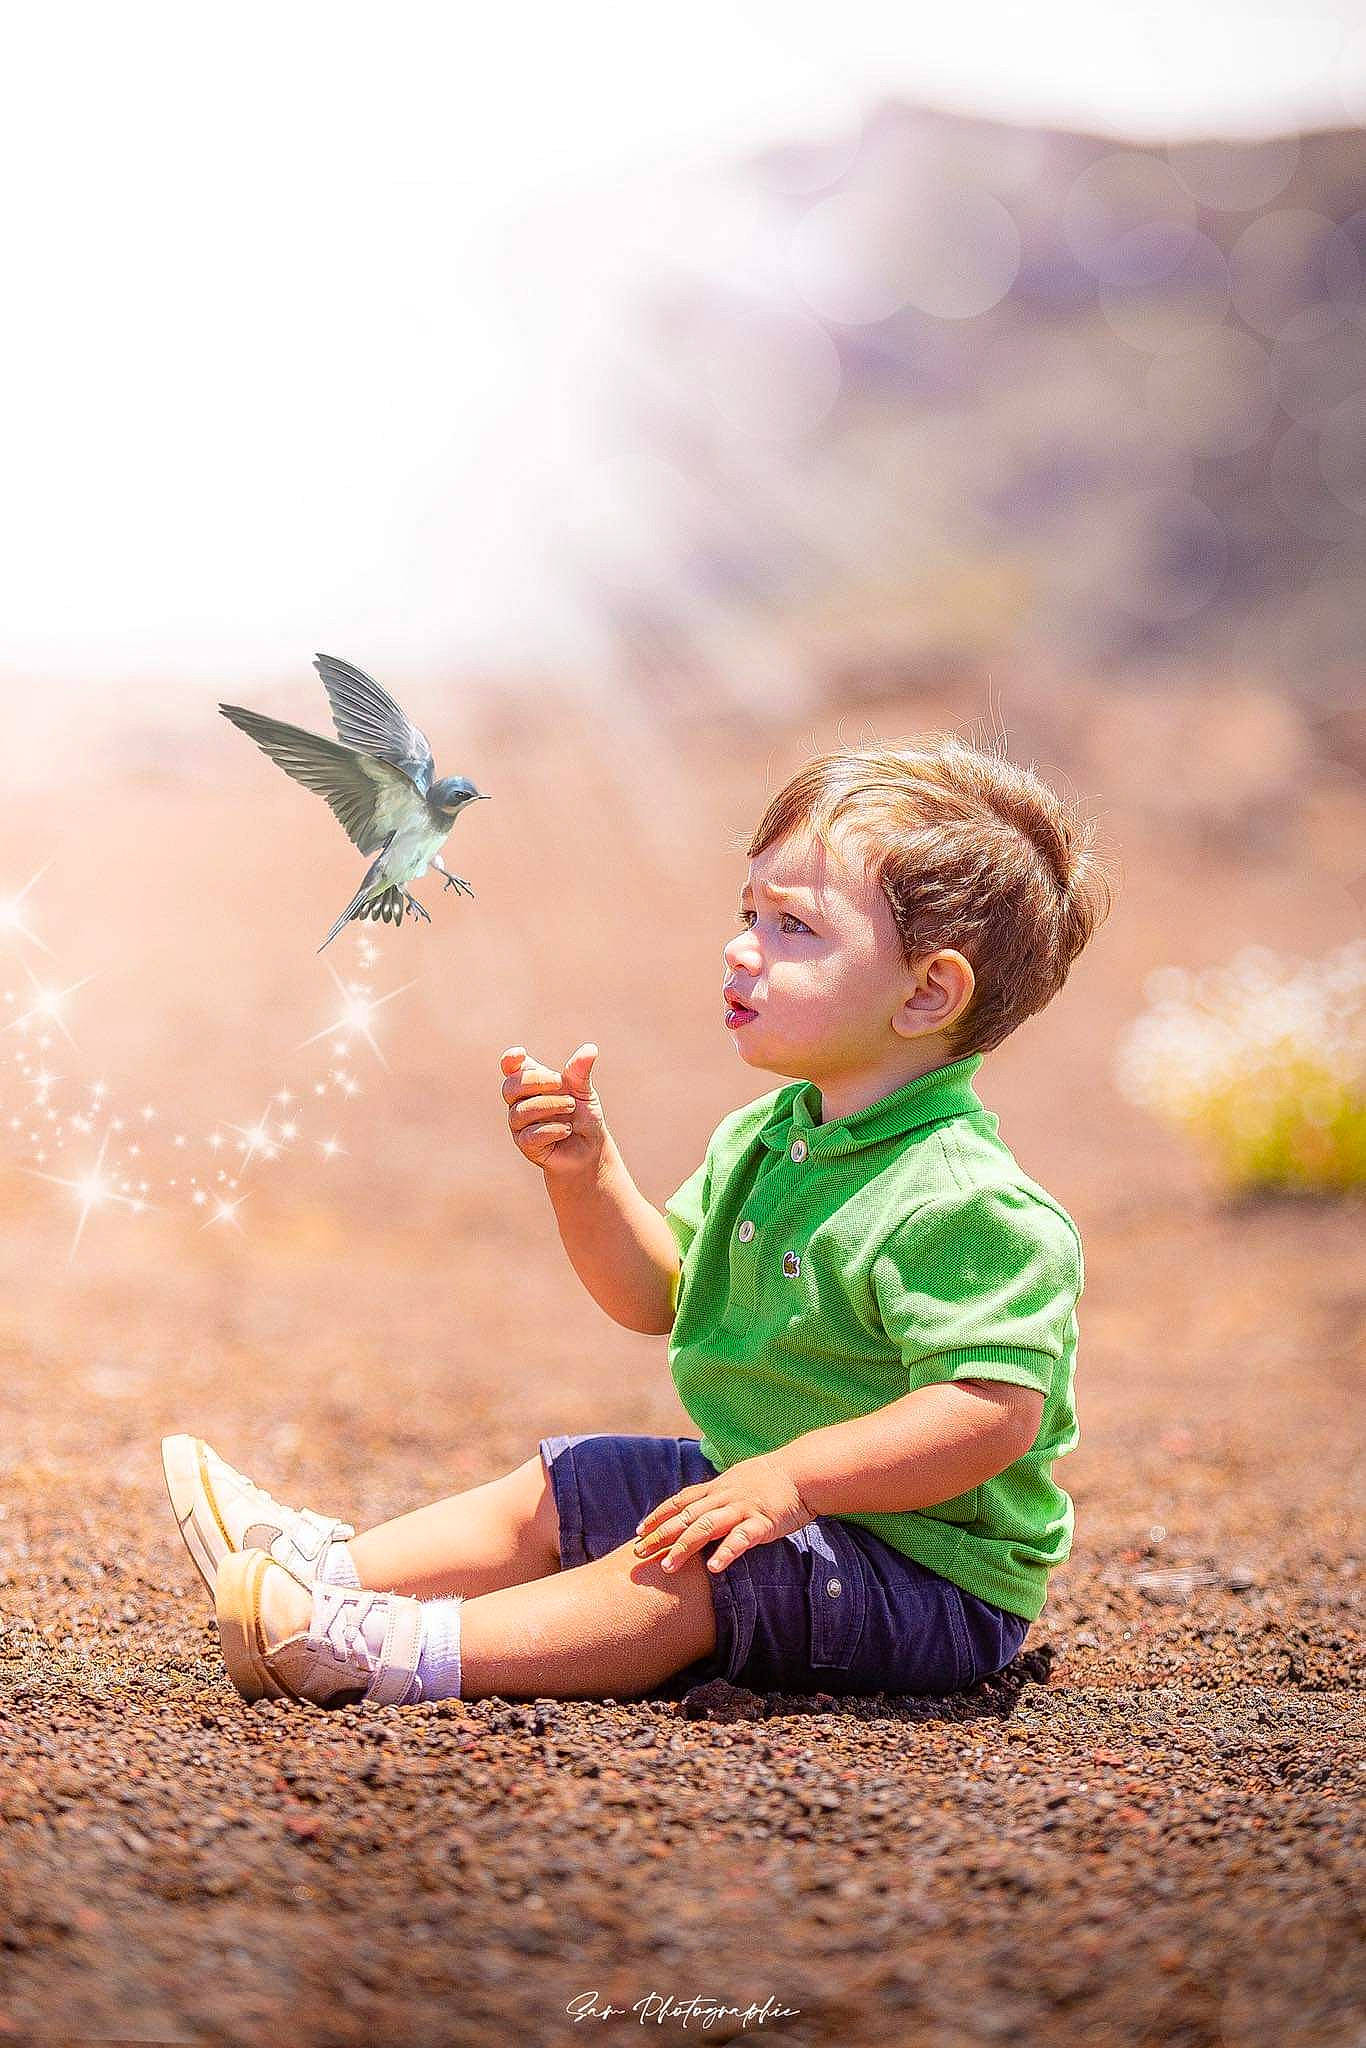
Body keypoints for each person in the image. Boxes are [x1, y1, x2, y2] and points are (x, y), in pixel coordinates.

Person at [162, 733, 1113, 1710]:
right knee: (574, 1480)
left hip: (923, 1578)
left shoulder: (964, 1199)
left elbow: (989, 1413)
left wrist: (794, 1479)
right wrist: (586, 1172)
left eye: (793, 927)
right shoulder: (775, 1134)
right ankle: (327, 1573)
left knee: (692, 1564)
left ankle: (390, 1648)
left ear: (927, 991)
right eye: (748, 911)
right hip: (769, 1493)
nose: (741, 946)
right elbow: (656, 1292)